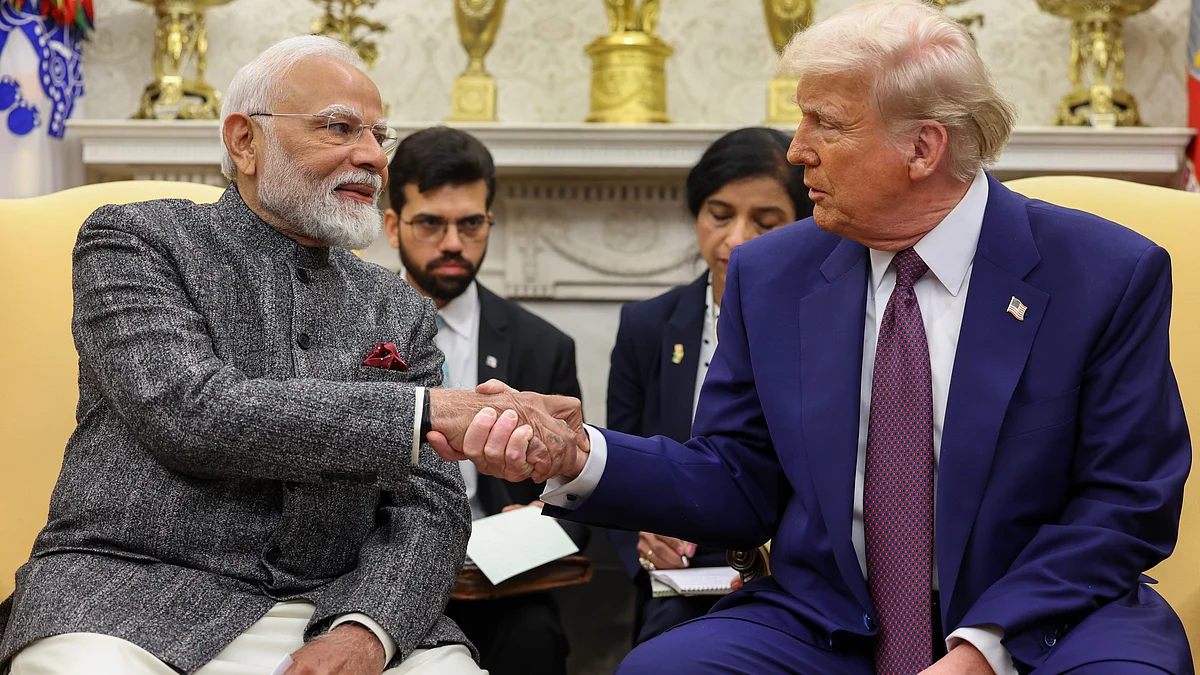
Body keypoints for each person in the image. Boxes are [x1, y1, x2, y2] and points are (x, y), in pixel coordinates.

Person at [432, 1, 1194, 673]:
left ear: (923, 148)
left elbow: (1125, 504)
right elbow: (736, 476)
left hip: (1047, 617)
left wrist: (981, 650)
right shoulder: (773, 273)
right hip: (833, 621)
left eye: (825, 123)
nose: (797, 149)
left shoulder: (1104, 272)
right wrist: (577, 453)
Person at [0, 36, 581, 675]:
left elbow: (431, 506)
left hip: (333, 604)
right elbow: (190, 411)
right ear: (244, 141)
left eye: (379, 135)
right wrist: (424, 413)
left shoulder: (397, 307)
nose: (372, 157)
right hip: (129, 597)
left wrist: (367, 633)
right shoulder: (137, 241)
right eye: (339, 128)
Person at [382, 125, 587, 675]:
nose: (453, 243)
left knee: (535, 636)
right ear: (393, 225)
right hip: (375, 568)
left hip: (499, 581)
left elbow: (575, 490)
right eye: (431, 223)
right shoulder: (352, 328)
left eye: (470, 224)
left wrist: (543, 514)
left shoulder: (542, 345)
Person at [605, 127, 814, 645]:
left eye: (766, 222)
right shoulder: (647, 326)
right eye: (720, 215)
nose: (736, 239)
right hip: (681, 567)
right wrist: (644, 538)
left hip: (792, 566)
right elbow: (618, 457)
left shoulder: (825, 321)